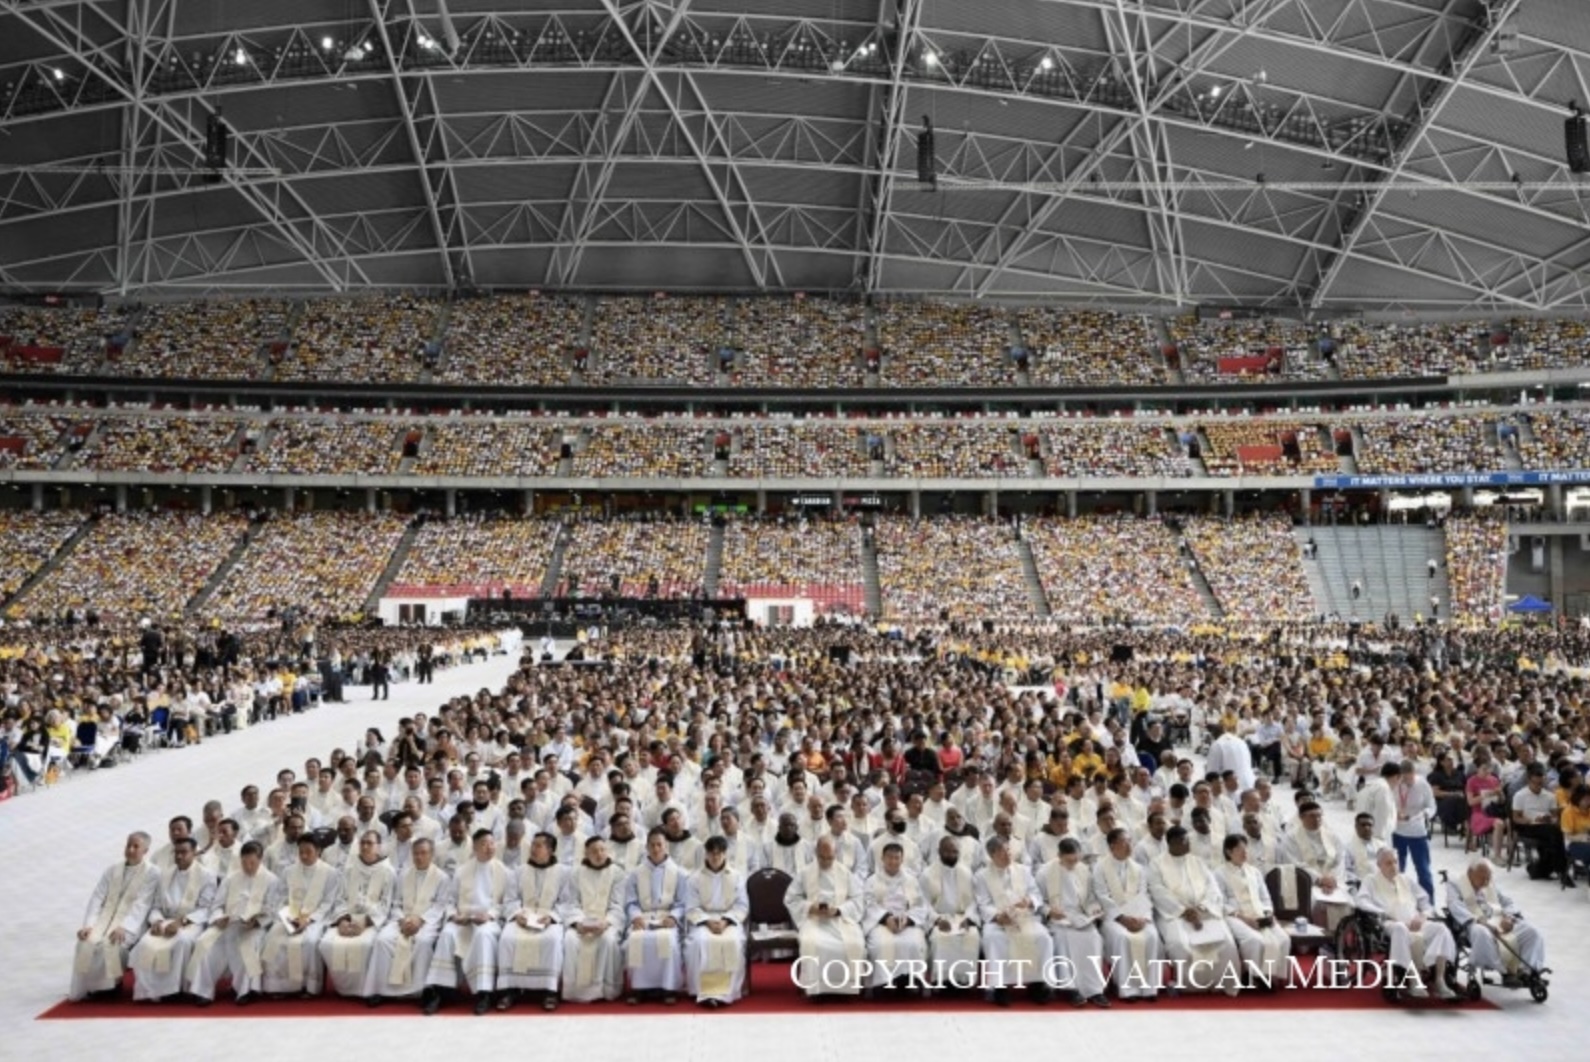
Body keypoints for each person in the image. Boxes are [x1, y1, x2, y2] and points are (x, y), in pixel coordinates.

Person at [424, 829, 513, 1015]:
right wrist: (454, 915)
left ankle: (484, 992)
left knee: (483, 934)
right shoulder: (462, 871)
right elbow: (450, 901)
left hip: (488, 920)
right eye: (484, 844)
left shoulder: (504, 872)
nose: (489, 847)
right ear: (475, 847)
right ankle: (442, 990)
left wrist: (489, 915)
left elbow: (507, 903)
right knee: (447, 934)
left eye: (491, 843)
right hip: (463, 918)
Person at [1147, 826, 1240, 996]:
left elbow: (1212, 887)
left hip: (1204, 911)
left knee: (1226, 943)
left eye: (1188, 840)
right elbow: (1158, 891)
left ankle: (1220, 983)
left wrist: (1202, 907)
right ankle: (1189, 986)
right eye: (1184, 841)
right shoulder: (1156, 864)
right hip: (1175, 915)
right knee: (1181, 945)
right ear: (1172, 843)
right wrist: (1184, 911)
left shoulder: (1197, 861)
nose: (1189, 844)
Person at [186, 840, 280, 1006]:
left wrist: (257, 921)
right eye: (244, 862)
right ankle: (203, 990)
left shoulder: (272, 880)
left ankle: (244, 990)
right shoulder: (231, 878)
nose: (248, 866)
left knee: (248, 945)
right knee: (204, 942)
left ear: (260, 859)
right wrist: (218, 917)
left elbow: (272, 909)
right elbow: (217, 905)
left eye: (252, 862)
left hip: (252, 928)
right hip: (228, 924)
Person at [1356, 848, 1457, 1000]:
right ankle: (1413, 980)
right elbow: (1361, 901)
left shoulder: (1406, 880)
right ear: (1379, 865)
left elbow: (1425, 901)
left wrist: (1423, 916)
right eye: (1388, 863)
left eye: (1395, 862)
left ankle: (1439, 979)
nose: (1393, 866)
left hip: (1414, 921)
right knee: (1400, 928)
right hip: (1389, 923)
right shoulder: (1370, 880)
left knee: (1441, 929)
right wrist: (1381, 912)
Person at [71, 832, 158, 1002]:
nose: (130, 850)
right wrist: (88, 925)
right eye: (128, 845)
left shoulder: (152, 873)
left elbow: (143, 904)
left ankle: (111, 987)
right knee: (86, 942)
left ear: (146, 850)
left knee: (110, 944)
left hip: (132, 924)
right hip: (105, 920)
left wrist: (124, 927)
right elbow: (97, 898)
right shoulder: (112, 870)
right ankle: (90, 987)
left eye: (135, 846)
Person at [129, 837, 217, 1002]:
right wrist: (156, 921)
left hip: (192, 922)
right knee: (145, 943)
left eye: (184, 852)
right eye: (176, 852)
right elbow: (155, 906)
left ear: (194, 853)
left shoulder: (207, 876)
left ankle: (176, 989)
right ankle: (152, 991)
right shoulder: (165, 875)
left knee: (182, 940)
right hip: (165, 921)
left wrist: (181, 922)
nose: (179, 856)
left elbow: (206, 908)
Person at [366, 838, 447, 1006]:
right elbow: (395, 903)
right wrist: (402, 920)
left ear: (431, 855)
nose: (419, 857)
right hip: (402, 920)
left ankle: (423, 990)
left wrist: (420, 920)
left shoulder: (442, 877)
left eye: (423, 853)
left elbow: (440, 906)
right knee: (382, 940)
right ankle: (381, 990)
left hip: (427, 923)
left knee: (423, 942)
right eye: (416, 853)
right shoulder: (404, 874)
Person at [785, 834, 867, 998]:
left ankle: (847, 988)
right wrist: (810, 907)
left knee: (854, 943)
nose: (826, 862)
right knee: (811, 943)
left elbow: (858, 899)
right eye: (822, 857)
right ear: (816, 853)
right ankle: (816, 988)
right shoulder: (805, 872)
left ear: (835, 854)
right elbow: (791, 898)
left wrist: (838, 910)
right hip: (814, 921)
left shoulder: (845, 873)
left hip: (840, 920)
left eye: (829, 858)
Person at [261, 834, 343, 998]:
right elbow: (280, 899)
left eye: (308, 852)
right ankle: (279, 987)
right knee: (273, 939)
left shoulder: (331, 873)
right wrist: (289, 918)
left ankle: (308, 987)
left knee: (310, 941)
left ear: (318, 851)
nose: (304, 856)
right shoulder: (288, 871)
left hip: (316, 919)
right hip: (290, 917)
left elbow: (328, 902)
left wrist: (308, 919)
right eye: (301, 852)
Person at [974, 835, 1052, 1005]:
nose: (1008, 854)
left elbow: (1035, 894)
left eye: (1008, 849)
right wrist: (998, 916)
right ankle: (1000, 987)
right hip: (998, 921)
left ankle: (1038, 983)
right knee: (994, 939)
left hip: (1024, 918)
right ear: (991, 854)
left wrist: (1030, 901)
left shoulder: (1023, 870)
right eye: (1002, 851)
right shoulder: (982, 876)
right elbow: (983, 903)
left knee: (1043, 937)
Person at [496, 831, 569, 1012]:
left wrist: (551, 917)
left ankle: (549, 991)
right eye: (533, 845)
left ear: (550, 850)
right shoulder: (519, 871)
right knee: (507, 938)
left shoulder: (564, 872)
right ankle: (510, 989)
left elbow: (568, 902)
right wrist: (517, 914)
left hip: (548, 919)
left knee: (551, 940)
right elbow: (510, 899)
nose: (533, 849)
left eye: (538, 846)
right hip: (523, 917)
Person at [319, 831, 395, 999]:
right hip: (347, 917)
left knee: (366, 945)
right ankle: (344, 989)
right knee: (326, 943)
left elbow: (386, 905)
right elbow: (340, 898)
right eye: (363, 843)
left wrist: (365, 922)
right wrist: (342, 921)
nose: (366, 846)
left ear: (379, 847)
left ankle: (363, 989)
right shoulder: (350, 868)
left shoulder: (388, 871)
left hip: (370, 921)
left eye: (370, 843)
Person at [1444, 857, 1546, 981]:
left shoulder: (1489, 883)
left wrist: (1508, 917)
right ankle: (1505, 972)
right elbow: (1454, 905)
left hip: (1499, 920)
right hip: (1474, 924)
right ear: (1470, 872)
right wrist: (1477, 920)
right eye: (1483, 878)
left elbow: (1507, 902)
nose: (1486, 882)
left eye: (1488, 878)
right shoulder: (1455, 883)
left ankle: (1527, 971)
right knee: (1482, 933)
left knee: (1532, 932)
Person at [1092, 827, 1162, 1002]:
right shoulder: (1100, 867)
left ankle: (1149, 988)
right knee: (1123, 938)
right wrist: (1122, 918)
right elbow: (1102, 895)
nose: (1130, 845)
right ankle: (1128, 989)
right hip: (1113, 918)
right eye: (1125, 841)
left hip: (1138, 916)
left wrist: (1143, 918)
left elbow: (1144, 895)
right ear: (1113, 845)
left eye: (1131, 841)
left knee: (1152, 936)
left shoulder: (1138, 868)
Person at [1039, 838, 1110, 1007]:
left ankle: (1094, 990)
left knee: (1093, 938)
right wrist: (1049, 912)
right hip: (1059, 918)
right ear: (1059, 855)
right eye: (1069, 860)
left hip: (1080, 916)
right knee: (1063, 939)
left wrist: (1095, 911)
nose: (1073, 863)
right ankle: (1071, 989)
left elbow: (1091, 898)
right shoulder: (1044, 873)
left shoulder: (1084, 870)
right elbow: (1039, 901)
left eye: (1076, 859)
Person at [683, 835, 749, 1007]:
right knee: (699, 942)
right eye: (712, 853)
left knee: (732, 942)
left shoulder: (736, 876)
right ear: (706, 854)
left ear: (725, 854)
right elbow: (691, 907)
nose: (715, 857)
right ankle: (703, 992)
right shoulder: (695, 878)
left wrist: (726, 921)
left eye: (719, 853)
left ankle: (727, 992)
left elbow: (742, 905)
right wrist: (708, 922)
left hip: (729, 920)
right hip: (704, 921)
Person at [1215, 836, 1290, 985]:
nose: (1245, 852)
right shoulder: (1219, 873)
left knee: (1283, 938)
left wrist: (1268, 913)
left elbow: (1265, 896)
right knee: (1255, 940)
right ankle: (1254, 975)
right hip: (1235, 916)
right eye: (1239, 849)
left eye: (1245, 848)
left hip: (1259, 913)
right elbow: (1220, 902)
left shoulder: (1254, 871)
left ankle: (1271, 974)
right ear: (1229, 852)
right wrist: (1244, 918)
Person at [624, 827, 686, 1004]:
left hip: (667, 918)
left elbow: (682, 902)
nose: (656, 848)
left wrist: (674, 917)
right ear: (647, 847)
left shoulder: (679, 873)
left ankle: (668, 988)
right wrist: (635, 917)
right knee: (636, 940)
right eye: (652, 845)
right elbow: (630, 902)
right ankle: (638, 988)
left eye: (659, 844)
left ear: (666, 846)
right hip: (643, 917)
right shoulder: (636, 873)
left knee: (667, 940)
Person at [559, 836, 625, 1003]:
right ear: (586, 853)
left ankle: (604, 989)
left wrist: (607, 922)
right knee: (570, 939)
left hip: (606, 922)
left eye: (602, 850)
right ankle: (575, 991)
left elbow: (617, 904)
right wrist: (578, 923)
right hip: (582, 922)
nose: (599, 854)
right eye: (594, 851)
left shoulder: (616, 873)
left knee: (608, 940)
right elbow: (572, 902)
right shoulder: (576, 873)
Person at [862, 842, 930, 993]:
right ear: (882, 858)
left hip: (907, 922)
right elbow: (868, 904)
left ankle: (909, 981)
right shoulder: (872, 881)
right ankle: (882, 984)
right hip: (880, 923)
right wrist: (886, 919)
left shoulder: (911, 880)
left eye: (896, 858)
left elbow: (920, 905)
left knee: (913, 943)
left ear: (902, 859)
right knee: (879, 945)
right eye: (889, 858)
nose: (893, 861)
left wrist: (907, 920)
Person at [918, 835, 981, 988]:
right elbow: (923, 903)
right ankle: (943, 980)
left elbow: (974, 901)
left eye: (955, 852)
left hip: (962, 918)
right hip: (940, 919)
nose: (952, 855)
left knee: (972, 936)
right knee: (940, 939)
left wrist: (968, 918)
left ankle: (964, 980)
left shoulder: (966, 872)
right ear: (939, 851)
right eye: (947, 851)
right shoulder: (927, 874)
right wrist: (937, 920)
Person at [1284, 802, 1352, 932]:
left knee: (1347, 903)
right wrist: (1319, 880)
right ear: (1301, 817)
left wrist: (1332, 880)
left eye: (1319, 816)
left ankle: (1339, 941)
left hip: (1332, 883)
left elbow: (1339, 860)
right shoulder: (1291, 838)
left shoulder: (1332, 836)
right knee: (1318, 904)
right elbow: (1294, 864)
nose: (1317, 820)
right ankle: (1320, 941)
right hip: (1307, 883)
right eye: (1312, 816)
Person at [1511, 763, 1571, 886]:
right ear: (1529, 780)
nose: (1539, 786)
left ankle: (1538, 869)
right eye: (1536, 783)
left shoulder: (1549, 796)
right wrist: (1528, 820)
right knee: (1555, 833)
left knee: (1556, 833)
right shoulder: (1520, 795)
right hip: (1528, 826)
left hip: (1546, 825)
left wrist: (1550, 819)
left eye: (1541, 783)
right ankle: (1562, 870)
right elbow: (1516, 818)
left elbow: (1554, 815)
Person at [1391, 759, 1436, 901]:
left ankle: (1429, 902)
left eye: (1409, 778)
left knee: (1423, 870)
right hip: (1398, 831)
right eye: (1403, 778)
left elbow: (1431, 806)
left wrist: (1425, 814)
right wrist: (1394, 813)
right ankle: (1397, 900)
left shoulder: (1422, 784)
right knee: (1397, 869)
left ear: (1414, 773)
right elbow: (1387, 804)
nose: (1407, 781)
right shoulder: (1394, 785)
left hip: (1417, 832)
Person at [1204, 723, 1255, 791]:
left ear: (1213, 735)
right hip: (1250, 782)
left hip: (1232, 785)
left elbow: (1212, 772)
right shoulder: (1240, 741)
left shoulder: (1217, 744)